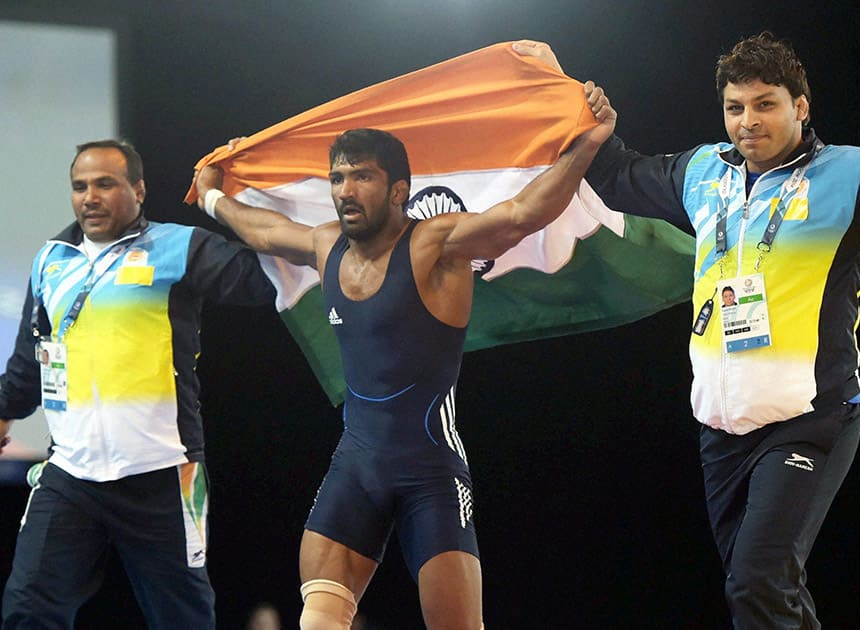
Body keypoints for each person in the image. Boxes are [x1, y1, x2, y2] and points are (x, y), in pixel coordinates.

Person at [517, 33, 860, 627]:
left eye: (766, 104)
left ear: (801, 106)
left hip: (810, 419)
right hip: (721, 427)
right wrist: (583, 116)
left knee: (757, 584)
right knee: (770, 595)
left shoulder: (851, 175)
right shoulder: (700, 173)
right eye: (735, 107)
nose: (748, 122)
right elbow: (618, 177)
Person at [193, 82, 615, 629]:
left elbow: (521, 215)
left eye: (361, 176)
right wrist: (210, 195)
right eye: (338, 177)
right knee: (317, 620)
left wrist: (589, 143)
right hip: (355, 466)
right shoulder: (327, 246)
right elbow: (266, 230)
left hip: (431, 475)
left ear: (398, 190)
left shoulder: (435, 245)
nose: (346, 189)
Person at [0, 140, 276, 629]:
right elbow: (29, 363)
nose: (90, 196)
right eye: (80, 186)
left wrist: (227, 203)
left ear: (139, 189)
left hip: (163, 475)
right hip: (70, 475)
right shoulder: (50, 260)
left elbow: (264, 279)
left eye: (105, 184)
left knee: (183, 621)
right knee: (28, 610)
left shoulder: (179, 247)